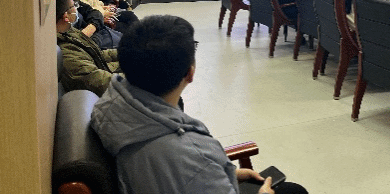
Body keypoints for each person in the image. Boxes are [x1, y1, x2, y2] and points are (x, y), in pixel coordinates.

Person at [90, 15, 307, 194]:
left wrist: (225, 173)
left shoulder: (109, 104)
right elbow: (188, 167)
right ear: (190, 74)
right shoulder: (194, 155)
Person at [55, 0, 121, 96]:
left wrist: (126, 53)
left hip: (105, 73)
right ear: (66, 16)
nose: (76, 9)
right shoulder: (66, 51)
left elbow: (96, 54)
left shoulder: (68, 31)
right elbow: (99, 81)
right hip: (110, 91)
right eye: (74, 6)